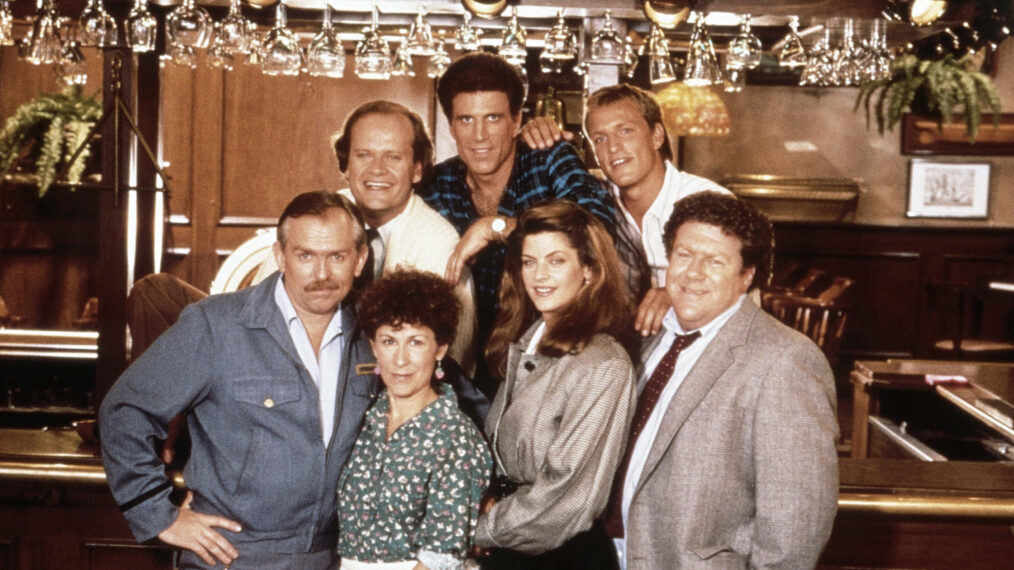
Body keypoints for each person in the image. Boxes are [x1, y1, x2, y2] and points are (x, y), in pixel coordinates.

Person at [100, 191, 378, 569]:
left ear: (359, 260)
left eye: (337, 256)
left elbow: (450, 394)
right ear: (281, 256)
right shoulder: (215, 325)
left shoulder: (379, 330)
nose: (322, 275)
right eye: (306, 256)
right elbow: (124, 411)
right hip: (232, 556)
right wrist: (157, 514)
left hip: (333, 557)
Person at [604, 191, 839, 569]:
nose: (693, 273)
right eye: (684, 255)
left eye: (714, 261)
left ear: (746, 276)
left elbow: (795, 528)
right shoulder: (646, 339)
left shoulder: (785, 361)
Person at [420, 52, 616, 394]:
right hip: (459, 375)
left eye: (493, 118)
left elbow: (597, 228)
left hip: (550, 366)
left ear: (516, 122)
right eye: (466, 120)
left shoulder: (547, 159)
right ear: (450, 127)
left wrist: (498, 227)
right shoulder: (439, 184)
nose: (479, 135)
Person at [475, 200, 636, 569]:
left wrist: (477, 531)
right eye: (529, 262)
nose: (539, 275)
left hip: (562, 557)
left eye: (556, 260)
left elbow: (566, 500)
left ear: (590, 271)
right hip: (509, 548)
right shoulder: (528, 341)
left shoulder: (603, 364)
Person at [520, 84, 731, 338]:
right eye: (600, 138)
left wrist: (677, 294)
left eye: (626, 131)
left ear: (656, 136)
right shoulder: (595, 201)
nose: (613, 148)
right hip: (625, 349)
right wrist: (530, 136)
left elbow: (741, 290)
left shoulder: (707, 202)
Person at [338, 269, 492, 570]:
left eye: (416, 342)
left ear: (441, 349)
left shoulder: (455, 435)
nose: (400, 359)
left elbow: (441, 554)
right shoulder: (365, 419)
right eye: (389, 341)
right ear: (373, 347)